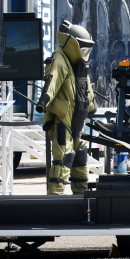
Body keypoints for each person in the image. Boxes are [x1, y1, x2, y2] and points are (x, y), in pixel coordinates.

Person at [36, 21, 96, 195]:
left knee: (80, 157)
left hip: (78, 118)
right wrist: (43, 101)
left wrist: (92, 106)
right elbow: (52, 82)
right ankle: (55, 198)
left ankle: (81, 197)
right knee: (63, 158)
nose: (86, 51)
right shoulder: (60, 59)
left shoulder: (79, 64)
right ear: (73, 44)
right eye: (83, 47)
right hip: (63, 118)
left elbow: (86, 88)